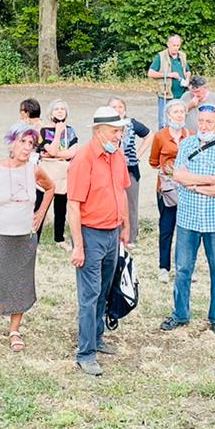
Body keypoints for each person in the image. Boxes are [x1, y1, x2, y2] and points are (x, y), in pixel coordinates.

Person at [0, 127, 55, 352]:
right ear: (11, 143)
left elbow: (51, 188)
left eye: (31, 144)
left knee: (21, 282)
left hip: (25, 237)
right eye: (22, 142)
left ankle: (14, 330)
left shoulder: (34, 170)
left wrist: (41, 213)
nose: (27, 148)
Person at [66, 106, 131, 377]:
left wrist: (126, 226)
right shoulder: (83, 159)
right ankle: (86, 353)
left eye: (120, 131)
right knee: (89, 295)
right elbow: (73, 205)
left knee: (104, 291)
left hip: (112, 233)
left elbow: (122, 192)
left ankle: (97, 337)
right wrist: (79, 246)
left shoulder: (117, 156)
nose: (119, 135)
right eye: (115, 131)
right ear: (99, 131)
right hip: (91, 234)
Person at [162, 103, 215, 335]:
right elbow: (178, 175)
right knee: (183, 269)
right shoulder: (186, 145)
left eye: (209, 122)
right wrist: (209, 180)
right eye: (201, 121)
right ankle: (180, 314)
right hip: (188, 219)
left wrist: (195, 185)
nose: (204, 126)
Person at [149, 101, 191, 281]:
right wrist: (168, 170)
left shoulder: (190, 135)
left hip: (187, 187)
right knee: (166, 228)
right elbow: (153, 161)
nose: (179, 115)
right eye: (176, 112)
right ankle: (164, 267)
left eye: (182, 112)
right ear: (168, 116)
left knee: (186, 230)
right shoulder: (160, 136)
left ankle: (184, 266)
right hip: (167, 189)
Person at [108, 96, 152, 248]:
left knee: (131, 203)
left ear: (125, 109)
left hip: (130, 169)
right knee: (113, 202)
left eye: (120, 107)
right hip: (110, 169)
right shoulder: (105, 125)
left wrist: (137, 155)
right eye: (114, 107)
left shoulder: (131, 124)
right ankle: (115, 235)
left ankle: (131, 237)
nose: (117, 109)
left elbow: (149, 135)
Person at [37, 100, 80, 243]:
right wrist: (58, 133)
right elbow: (52, 149)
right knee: (40, 206)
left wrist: (53, 155)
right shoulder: (43, 131)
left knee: (61, 208)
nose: (60, 111)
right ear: (51, 112)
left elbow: (72, 153)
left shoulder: (70, 130)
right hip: (46, 173)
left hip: (63, 173)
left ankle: (59, 238)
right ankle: (34, 239)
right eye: (56, 109)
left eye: (63, 109)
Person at [147, 34, 191, 128]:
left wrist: (187, 80)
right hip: (166, 95)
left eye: (178, 45)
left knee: (181, 121)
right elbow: (150, 73)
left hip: (182, 95)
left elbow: (188, 71)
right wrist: (169, 75)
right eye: (174, 45)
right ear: (168, 44)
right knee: (164, 122)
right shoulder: (160, 56)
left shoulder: (182, 56)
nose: (176, 48)